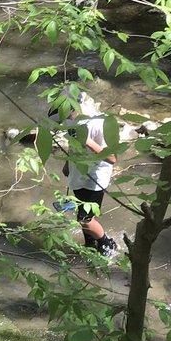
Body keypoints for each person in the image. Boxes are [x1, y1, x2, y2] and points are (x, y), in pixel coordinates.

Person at [65, 108, 117, 256]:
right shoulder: (69, 121)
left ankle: (109, 245)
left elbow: (112, 158)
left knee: (85, 220)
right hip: (77, 174)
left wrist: (87, 141)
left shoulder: (98, 122)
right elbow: (73, 145)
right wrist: (67, 164)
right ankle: (90, 246)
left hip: (95, 178)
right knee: (82, 215)